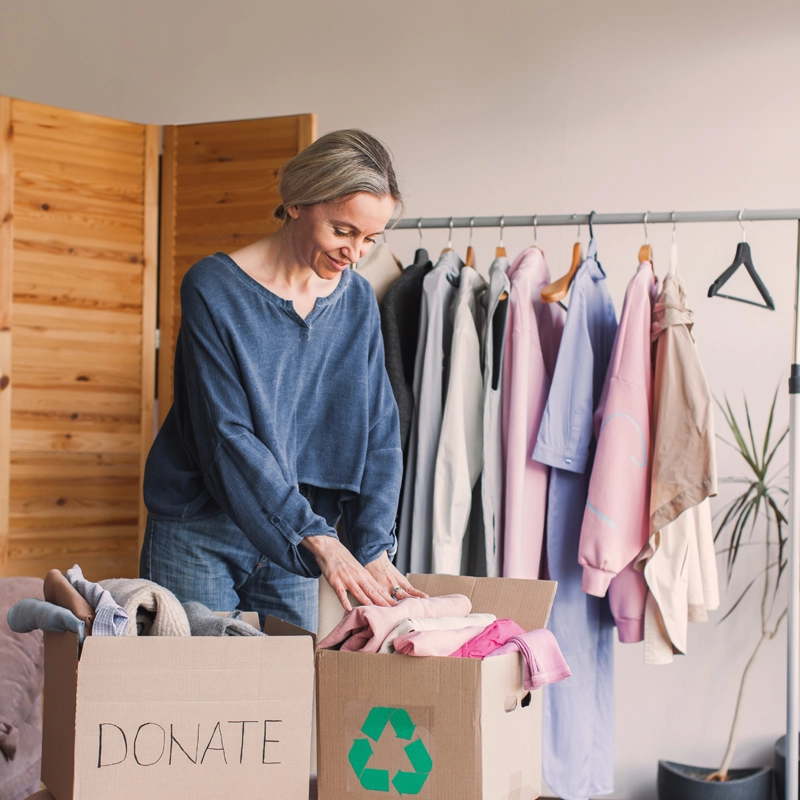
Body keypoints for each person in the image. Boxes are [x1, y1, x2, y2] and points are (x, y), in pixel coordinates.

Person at [140, 129, 425, 632]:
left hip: (298, 532)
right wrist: (316, 538)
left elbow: (380, 430)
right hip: (202, 528)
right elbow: (226, 436)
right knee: (190, 696)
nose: (355, 253)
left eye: (370, 239)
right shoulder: (214, 288)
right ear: (296, 203)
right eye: (342, 231)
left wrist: (373, 541)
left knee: (289, 697)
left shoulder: (356, 301)